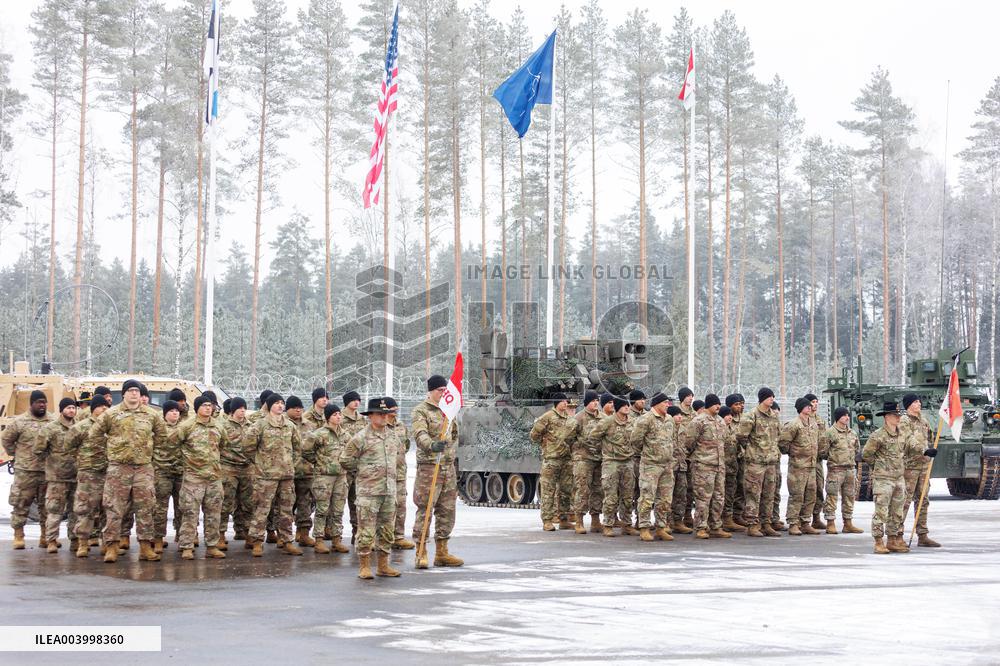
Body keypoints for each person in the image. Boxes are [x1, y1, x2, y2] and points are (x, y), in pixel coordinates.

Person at [92, 379, 168, 563]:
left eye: (137, 391)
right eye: (131, 390)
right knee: (114, 509)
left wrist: (149, 451)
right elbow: (95, 434)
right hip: (119, 468)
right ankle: (111, 546)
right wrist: (111, 450)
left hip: (143, 468)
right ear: (124, 393)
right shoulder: (112, 414)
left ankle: (145, 547)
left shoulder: (152, 414)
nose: (134, 393)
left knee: (146, 509)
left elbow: (162, 436)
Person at [340, 398, 400, 579]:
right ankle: (364, 566)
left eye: (385, 414)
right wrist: (363, 471)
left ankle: (383, 565)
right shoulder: (361, 437)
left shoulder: (392, 435)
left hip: (388, 491)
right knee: (366, 531)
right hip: (369, 492)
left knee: (387, 530)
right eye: (380, 414)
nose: (383, 417)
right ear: (371, 416)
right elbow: (345, 460)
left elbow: (397, 456)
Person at [410, 375, 464, 568]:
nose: (443, 393)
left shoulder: (448, 411)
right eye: (439, 390)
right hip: (429, 468)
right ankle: (421, 550)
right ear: (431, 391)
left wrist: (449, 452)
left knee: (447, 510)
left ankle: (442, 552)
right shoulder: (421, 411)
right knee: (425, 509)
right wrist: (432, 446)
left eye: (444, 390)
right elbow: (419, 434)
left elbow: (454, 433)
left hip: (447, 467)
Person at [246, 394, 303, 557]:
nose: (280, 406)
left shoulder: (290, 426)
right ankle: (257, 542)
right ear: (269, 406)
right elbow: (248, 447)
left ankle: (286, 541)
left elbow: (297, 448)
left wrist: (291, 465)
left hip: (286, 476)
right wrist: (260, 464)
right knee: (261, 509)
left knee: (286, 511)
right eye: (276, 403)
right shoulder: (260, 425)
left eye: (282, 403)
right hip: (266, 476)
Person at [176, 395, 226, 560]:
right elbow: (173, 444)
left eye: (209, 405)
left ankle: (212, 546)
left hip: (213, 477)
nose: (208, 408)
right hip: (193, 478)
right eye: (204, 405)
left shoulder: (218, 426)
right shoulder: (187, 426)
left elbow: (223, 446)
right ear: (197, 408)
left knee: (213, 513)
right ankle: (187, 546)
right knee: (190, 513)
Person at [2, 390, 53, 550]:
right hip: (25, 472)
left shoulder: (52, 421)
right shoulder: (20, 422)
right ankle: (19, 536)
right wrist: (15, 454)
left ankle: (45, 536)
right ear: (31, 404)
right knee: (21, 504)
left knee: (47, 506)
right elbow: (6, 439)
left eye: (44, 402)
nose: (42, 405)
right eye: (39, 402)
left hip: (46, 471)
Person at [862, 401, 913, 554]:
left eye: (899, 415)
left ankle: (892, 540)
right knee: (881, 512)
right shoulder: (878, 436)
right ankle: (878, 541)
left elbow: (907, 450)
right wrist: (879, 467)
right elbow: (867, 454)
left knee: (897, 512)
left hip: (899, 478)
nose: (898, 418)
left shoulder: (902, 435)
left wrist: (926, 452)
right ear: (886, 417)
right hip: (883, 479)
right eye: (895, 415)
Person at [683, 394, 730, 539]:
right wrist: (697, 458)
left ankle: (716, 526)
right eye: (715, 404)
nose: (718, 406)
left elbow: (725, 442)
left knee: (719, 497)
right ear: (709, 405)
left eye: (719, 404)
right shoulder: (698, 421)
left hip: (719, 465)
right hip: (703, 466)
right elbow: (689, 442)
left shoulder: (720, 421)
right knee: (703, 498)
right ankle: (701, 527)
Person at [529, 393, 579, 531]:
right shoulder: (548, 417)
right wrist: (545, 444)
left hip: (566, 460)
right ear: (557, 402)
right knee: (548, 491)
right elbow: (534, 435)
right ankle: (547, 520)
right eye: (563, 401)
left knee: (565, 491)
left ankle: (563, 519)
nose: (565, 403)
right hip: (551, 460)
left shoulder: (570, 419)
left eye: (566, 401)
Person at [630, 393, 675, 542]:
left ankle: (661, 527)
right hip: (650, 465)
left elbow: (671, 440)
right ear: (656, 404)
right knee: (647, 498)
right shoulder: (646, 419)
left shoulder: (669, 420)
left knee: (665, 499)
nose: (668, 405)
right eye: (665, 403)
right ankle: (644, 527)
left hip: (667, 465)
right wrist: (648, 453)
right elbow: (635, 440)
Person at [737, 387, 781, 538]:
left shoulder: (774, 416)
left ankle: (766, 523)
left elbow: (777, 436)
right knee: (753, 494)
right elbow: (742, 436)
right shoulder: (751, 416)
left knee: (769, 494)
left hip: (770, 462)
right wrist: (752, 451)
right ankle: (752, 524)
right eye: (769, 397)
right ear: (762, 399)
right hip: (755, 462)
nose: (772, 399)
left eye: (773, 397)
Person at [70, 395, 110, 557]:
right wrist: (82, 459)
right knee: (85, 509)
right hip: (88, 473)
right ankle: (83, 543)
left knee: (108, 510)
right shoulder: (81, 427)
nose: (104, 409)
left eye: (107, 406)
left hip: (108, 472)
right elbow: (68, 446)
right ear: (93, 408)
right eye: (101, 406)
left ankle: (106, 543)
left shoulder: (112, 426)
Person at [898, 394, 941, 547]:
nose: (919, 404)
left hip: (923, 467)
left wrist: (930, 449)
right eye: (915, 402)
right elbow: (908, 440)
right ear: (908, 405)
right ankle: (898, 535)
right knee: (904, 501)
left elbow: (929, 437)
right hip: (910, 467)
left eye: (919, 401)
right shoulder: (904, 421)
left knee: (923, 501)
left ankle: (922, 535)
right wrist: (924, 450)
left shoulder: (923, 421)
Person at [38, 398, 79, 553]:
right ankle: (52, 540)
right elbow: (39, 449)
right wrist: (52, 463)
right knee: (54, 510)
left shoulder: (79, 427)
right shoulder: (51, 428)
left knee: (76, 511)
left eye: (73, 408)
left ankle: (75, 540)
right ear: (62, 410)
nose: (71, 411)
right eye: (68, 408)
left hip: (76, 476)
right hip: (57, 478)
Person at [309, 403, 350, 554]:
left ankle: (336, 539)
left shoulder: (345, 435)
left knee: (338, 510)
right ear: (328, 417)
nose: (338, 417)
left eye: (339, 414)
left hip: (341, 476)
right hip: (324, 477)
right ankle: (318, 539)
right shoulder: (319, 434)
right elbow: (306, 450)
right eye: (334, 414)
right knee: (322, 509)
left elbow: (350, 452)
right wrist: (320, 463)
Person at [779, 398, 820, 535]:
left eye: (810, 406)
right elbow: (783, 443)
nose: (809, 408)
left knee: (810, 495)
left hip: (811, 466)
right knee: (797, 495)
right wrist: (794, 453)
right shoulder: (793, 425)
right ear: (800, 408)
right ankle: (793, 523)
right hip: (798, 466)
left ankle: (805, 522)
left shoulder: (813, 424)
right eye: (806, 406)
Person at [595, 397, 635, 537]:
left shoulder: (632, 421)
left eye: (628, 405)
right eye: (624, 405)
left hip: (628, 462)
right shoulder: (607, 421)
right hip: (611, 462)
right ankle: (608, 524)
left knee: (628, 496)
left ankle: (626, 524)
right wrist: (605, 450)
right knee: (611, 496)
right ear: (618, 408)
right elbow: (593, 436)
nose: (627, 408)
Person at [821, 406, 863, 534]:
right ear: (838, 417)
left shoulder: (852, 433)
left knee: (849, 497)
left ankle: (848, 523)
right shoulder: (830, 433)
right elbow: (823, 451)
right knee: (832, 496)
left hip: (850, 469)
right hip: (836, 469)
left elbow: (857, 448)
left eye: (848, 415)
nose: (847, 417)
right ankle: (830, 522)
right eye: (844, 415)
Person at [219, 397, 254, 546]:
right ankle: (220, 534)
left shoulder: (251, 426)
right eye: (239, 408)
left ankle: (247, 533)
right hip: (228, 468)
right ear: (233, 410)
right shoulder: (223, 426)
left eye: (244, 408)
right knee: (225, 503)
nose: (242, 410)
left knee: (248, 503)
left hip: (247, 468)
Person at [285, 395, 317, 548]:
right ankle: (284, 536)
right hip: (287, 472)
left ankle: (304, 533)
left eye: (300, 407)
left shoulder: (309, 425)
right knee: (285, 506)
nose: (298, 410)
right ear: (288, 409)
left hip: (306, 471)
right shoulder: (283, 424)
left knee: (305, 504)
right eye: (294, 407)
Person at [152, 400, 183, 553]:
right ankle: (158, 538)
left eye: (176, 411)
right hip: (162, 472)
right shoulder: (158, 429)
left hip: (180, 472)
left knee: (182, 507)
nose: (175, 413)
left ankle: (182, 536)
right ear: (165, 413)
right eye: (171, 411)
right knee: (160, 508)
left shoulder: (184, 428)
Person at [385, 397, 415, 549]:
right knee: (385, 508)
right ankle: (383, 538)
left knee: (401, 505)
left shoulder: (401, 426)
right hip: (383, 475)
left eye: (396, 407)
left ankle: (398, 536)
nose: (395, 409)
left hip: (400, 473)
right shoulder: (379, 426)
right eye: (392, 407)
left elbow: (406, 445)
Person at [572, 390, 604, 534]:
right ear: (587, 403)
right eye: (592, 401)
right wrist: (577, 451)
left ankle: (596, 520)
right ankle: (579, 521)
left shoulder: (603, 418)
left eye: (597, 400)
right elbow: (568, 437)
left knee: (598, 490)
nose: (595, 403)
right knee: (583, 489)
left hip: (599, 458)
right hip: (583, 459)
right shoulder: (579, 418)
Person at [340, 390, 366, 542]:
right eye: (353, 400)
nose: (356, 402)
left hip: (358, 465)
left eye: (358, 400)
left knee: (357, 501)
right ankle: (333, 532)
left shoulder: (362, 419)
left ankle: (357, 531)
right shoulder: (339, 418)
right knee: (339, 501)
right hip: (344, 465)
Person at [671, 387, 696, 534]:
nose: (690, 398)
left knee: (687, 490)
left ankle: (685, 517)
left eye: (691, 396)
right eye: (687, 396)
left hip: (688, 458)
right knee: (670, 492)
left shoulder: (694, 414)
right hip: (675, 459)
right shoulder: (675, 412)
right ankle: (670, 521)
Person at [724, 394, 747, 530]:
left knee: (741, 487)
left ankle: (738, 515)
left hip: (741, 459)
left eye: (741, 404)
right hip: (728, 460)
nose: (740, 406)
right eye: (737, 404)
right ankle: (726, 517)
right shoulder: (726, 420)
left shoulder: (744, 420)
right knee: (728, 490)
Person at [805, 393, 829, 531]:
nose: (815, 404)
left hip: (818, 460)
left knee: (819, 488)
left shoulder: (820, 420)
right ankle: (804, 519)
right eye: (813, 402)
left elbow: (823, 439)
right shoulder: (804, 419)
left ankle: (816, 518)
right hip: (806, 460)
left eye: (816, 401)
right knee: (807, 490)